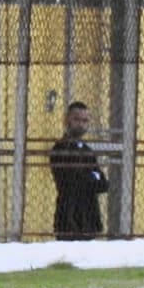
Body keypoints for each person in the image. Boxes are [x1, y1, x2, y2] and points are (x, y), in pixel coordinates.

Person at [49, 101, 109, 240]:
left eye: (85, 120)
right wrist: (92, 176)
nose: (81, 124)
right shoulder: (61, 148)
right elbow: (72, 181)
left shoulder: (87, 151)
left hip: (89, 218)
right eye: (76, 119)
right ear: (66, 120)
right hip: (69, 218)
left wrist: (91, 177)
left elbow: (103, 184)